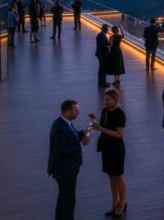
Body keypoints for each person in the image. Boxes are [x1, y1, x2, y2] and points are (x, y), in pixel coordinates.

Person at [48, 99, 91, 220]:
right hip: (65, 171)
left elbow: (72, 135)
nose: (78, 112)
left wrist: (84, 132)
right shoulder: (59, 129)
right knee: (69, 202)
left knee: (63, 197)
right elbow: (61, 151)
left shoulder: (65, 123)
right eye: (76, 110)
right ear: (67, 111)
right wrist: (81, 145)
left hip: (68, 169)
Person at [90, 89, 127, 218]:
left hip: (116, 149)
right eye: (104, 99)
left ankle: (122, 203)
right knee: (111, 176)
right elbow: (102, 126)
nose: (104, 101)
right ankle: (114, 202)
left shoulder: (120, 114)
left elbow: (117, 134)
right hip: (106, 147)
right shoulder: (105, 111)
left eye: (108, 100)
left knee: (118, 176)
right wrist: (95, 120)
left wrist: (101, 128)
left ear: (115, 100)